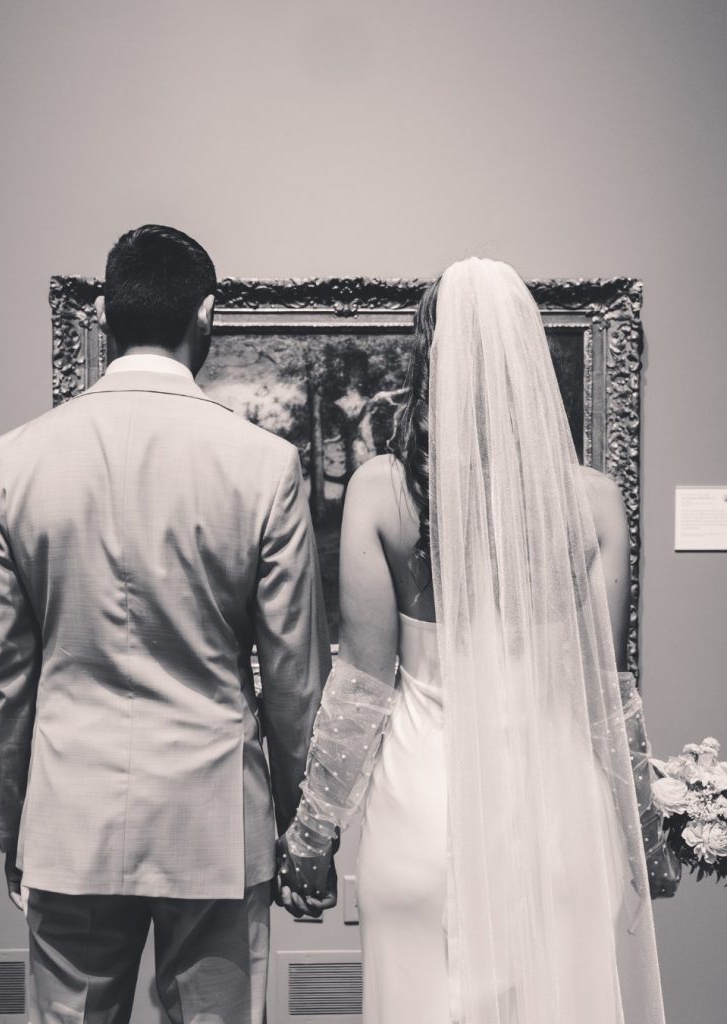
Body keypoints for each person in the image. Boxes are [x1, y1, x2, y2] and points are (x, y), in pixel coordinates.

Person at [280, 258, 672, 1022]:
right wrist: (642, 834)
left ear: (431, 362)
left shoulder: (382, 494)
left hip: (424, 824)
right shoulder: (593, 505)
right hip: (556, 824)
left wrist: (311, 836)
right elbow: (604, 696)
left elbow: (360, 688)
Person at [0, 224, 334, 1024]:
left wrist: (17, 821)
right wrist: (302, 830)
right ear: (206, 314)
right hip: (215, 822)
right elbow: (293, 682)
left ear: (105, 315)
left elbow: (4, 678)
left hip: (70, 816)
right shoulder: (262, 464)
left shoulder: (14, 460)